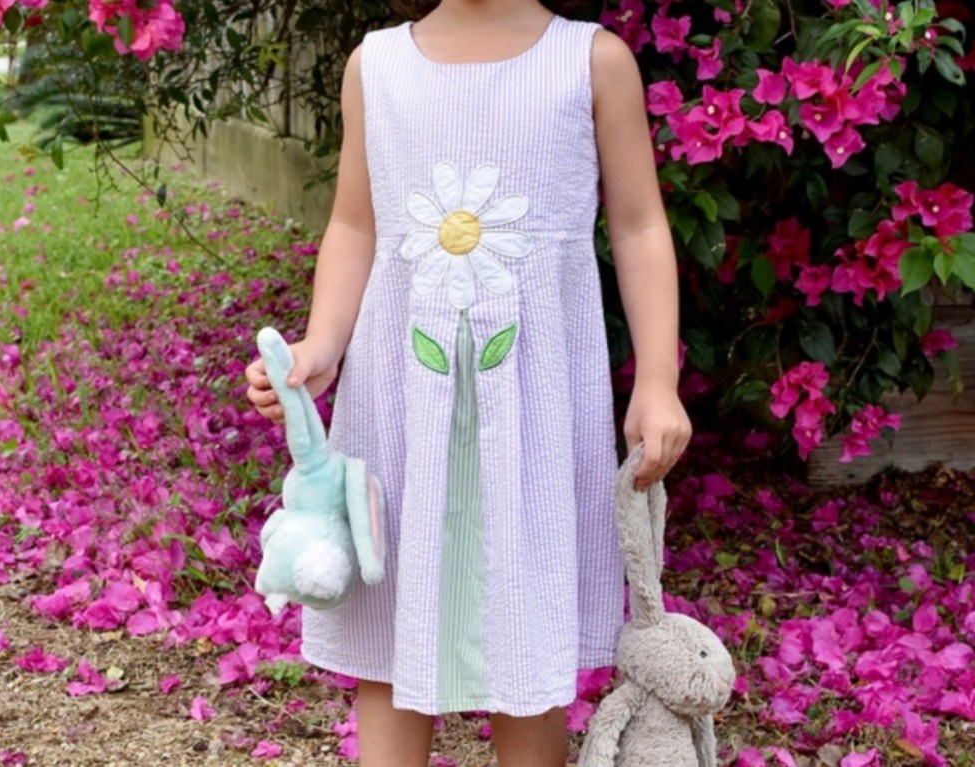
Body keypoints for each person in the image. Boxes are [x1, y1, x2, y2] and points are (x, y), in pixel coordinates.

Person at [244, 1, 691, 765]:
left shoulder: (592, 62)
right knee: (391, 623)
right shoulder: (375, 66)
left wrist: (657, 378)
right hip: (401, 407)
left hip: (533, 406)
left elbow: (639, 222)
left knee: (528, 636)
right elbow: (357, 223)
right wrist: (323, 340)